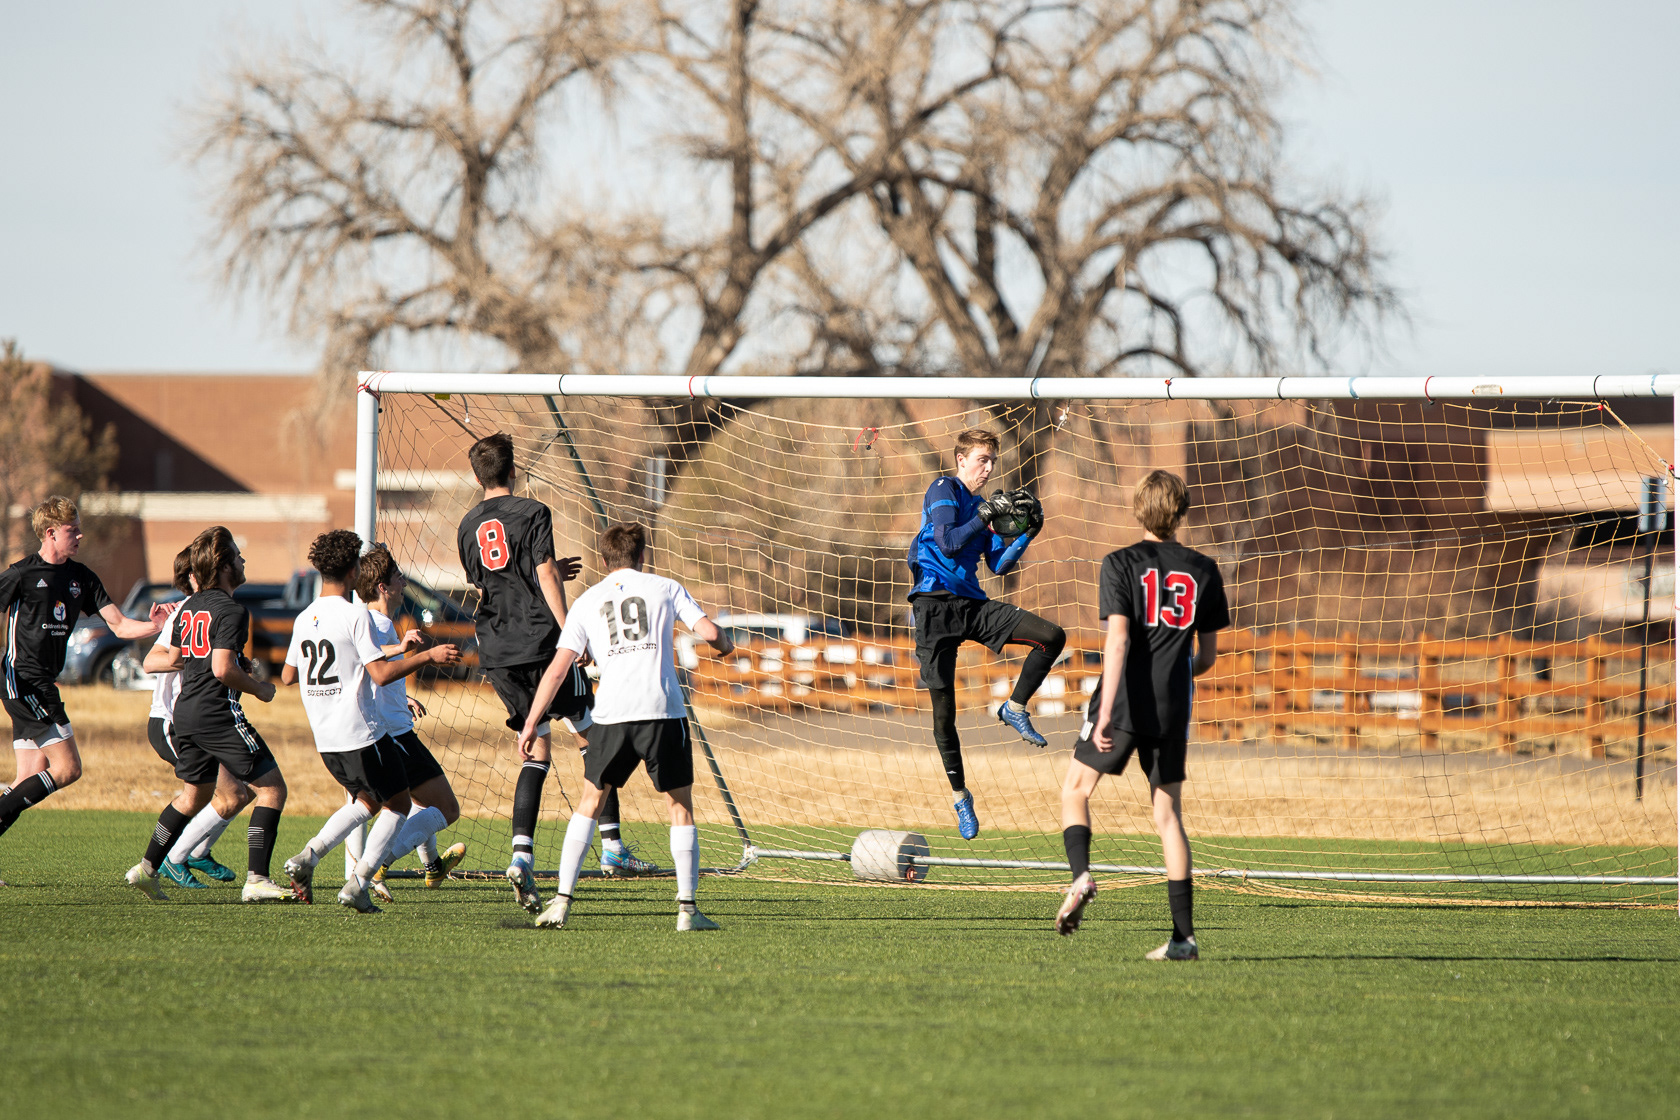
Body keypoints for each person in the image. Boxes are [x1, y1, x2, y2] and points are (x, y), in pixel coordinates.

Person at [456, 433, 653, 916]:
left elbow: (490, 585)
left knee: (536, 749)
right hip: (542, 642)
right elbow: (543, 573)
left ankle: (521, 856)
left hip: (498, 650)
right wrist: (571, 634)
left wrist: (536, 576)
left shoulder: (466, 525)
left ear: (478, 476)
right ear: (513, 469)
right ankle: (612, 848)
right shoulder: (532, 511)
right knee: (593, 735)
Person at [517, 523, 734, 931]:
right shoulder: (665, 587)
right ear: (642, 556)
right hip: (662, 712)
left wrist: (531, 722)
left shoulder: (587, 600)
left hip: (612, 715)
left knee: (589, 802)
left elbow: (558, 670)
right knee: (680, 807)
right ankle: (687, 911)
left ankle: (561, 902)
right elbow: (708, 632)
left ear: (604, 560)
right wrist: (725, 644)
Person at [1054, 470, 1229, 960]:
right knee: (1168, 816)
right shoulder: (1205, 569)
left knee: (1075, 790)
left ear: (1138, 510)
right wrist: (1174, 674)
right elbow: (1207, 657)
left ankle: (1081, 877)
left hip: (1125, 698)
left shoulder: (1120, 563)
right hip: (1174, 704)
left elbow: (1118, 641)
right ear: (1181, 512)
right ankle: (1184, 939)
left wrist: (1106, 712)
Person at [277, 531, 460, 913]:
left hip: (327, 740)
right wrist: (427, 657)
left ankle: (308, 856)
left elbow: (289, 675)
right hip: (362, 733)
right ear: (352, 570)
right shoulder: (355, 614)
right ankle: (359, 883)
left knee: (368, 801)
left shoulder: (305, 617)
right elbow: (379, 674)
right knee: (399, 804)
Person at [907, 428, 1065, 839]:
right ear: (961, 460)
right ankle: (960, 796)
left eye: (993, 460)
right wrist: (985, 515)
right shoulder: (944, 489)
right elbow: (947, 542)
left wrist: (1028, 532)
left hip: (972, 606)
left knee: (1052, 636)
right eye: (982, 459)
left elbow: (999, 565)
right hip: (933, 606)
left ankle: (1014, 707)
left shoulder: (983, 508)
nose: (989, 467)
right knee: (944, 716)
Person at [0, 497, 167, 884]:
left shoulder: (82, 578)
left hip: (42, 682)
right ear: (50, 533)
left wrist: (155, 626)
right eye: (72, 530)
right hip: (24, 680)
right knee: (68, 768)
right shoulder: (22, 573)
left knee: (30, 775)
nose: (80, 535)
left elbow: (120, 625)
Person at [124, 526, 289, 902]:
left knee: (193, 796)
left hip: (185, 714)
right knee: (271, 788)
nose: (243, 561)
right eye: (238, 556)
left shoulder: (188, 608)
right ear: (225, 566)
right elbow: (221, 669)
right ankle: (257, 879)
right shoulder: (232, 610)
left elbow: (177, 658)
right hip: (218, 713)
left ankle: (146, 869)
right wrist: (259, 688)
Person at [355, 544, 467, 895]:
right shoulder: (375, 624)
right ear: (383, 587)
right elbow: (376, 671)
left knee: (418, 802)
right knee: (446, 808)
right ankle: (377, 863)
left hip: (389, 728)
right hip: (394, 735)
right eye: (399, 578)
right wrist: (428, 656)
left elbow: (372, 673)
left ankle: (432, 866)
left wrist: (402, 697)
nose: (404, 583)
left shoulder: (377, 623)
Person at [142, 547, 252, 889]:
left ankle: (196, 852)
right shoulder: (186, 612)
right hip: (173, 721)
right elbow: (151, 661)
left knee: (243, 792)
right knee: (229, 794)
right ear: (195, 575)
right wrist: (196, 657)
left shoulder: (212, 609)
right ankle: (174, 858)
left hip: (204, 719)